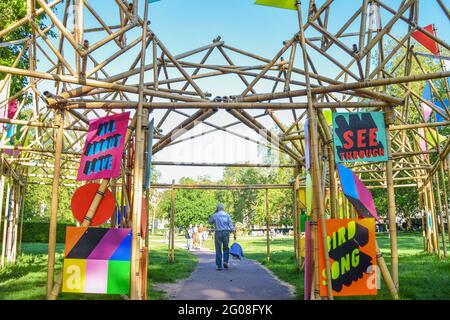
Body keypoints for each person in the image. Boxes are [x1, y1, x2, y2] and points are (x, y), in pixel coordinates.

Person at [208, 204, 236, 271]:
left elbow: (210, 222)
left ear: (217, 208)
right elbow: (231, 225)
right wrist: (234, 232)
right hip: (226, 232)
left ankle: (219, 266)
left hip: (218, 232)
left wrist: (214, 213)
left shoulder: (215, 215)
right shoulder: (227, 215)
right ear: (223, 208)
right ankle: (225, 261)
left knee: (218, 249)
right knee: (226, 248)